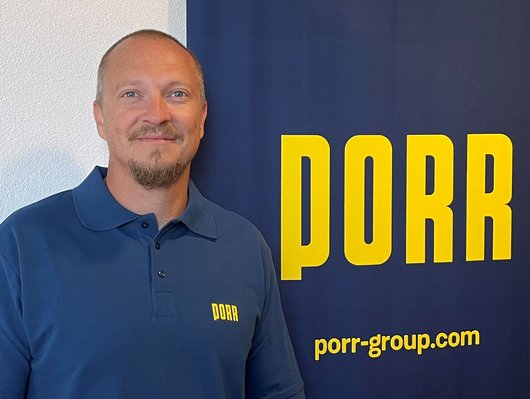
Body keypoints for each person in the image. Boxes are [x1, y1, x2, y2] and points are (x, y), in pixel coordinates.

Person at [0, 29, 304, 399]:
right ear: (100, 117)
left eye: (177, 94)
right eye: (132, 94)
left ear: (202, 116)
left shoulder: (245, 246)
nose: (158, 115)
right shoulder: (22, 243)